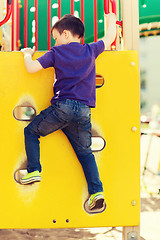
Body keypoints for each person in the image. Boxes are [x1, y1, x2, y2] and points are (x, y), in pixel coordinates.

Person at [20, 13, 116, 213]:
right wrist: (112, 19)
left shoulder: (57, 52)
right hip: (83, 112)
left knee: (31, 131)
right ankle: (97, 193)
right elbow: (110, 38)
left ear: (65, 34)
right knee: (85, 153)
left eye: (55, 37)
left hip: (62, 107)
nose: (55, 41)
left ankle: (34, 170)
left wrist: (27, 54)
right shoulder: (90, 50)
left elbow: (30, 68)